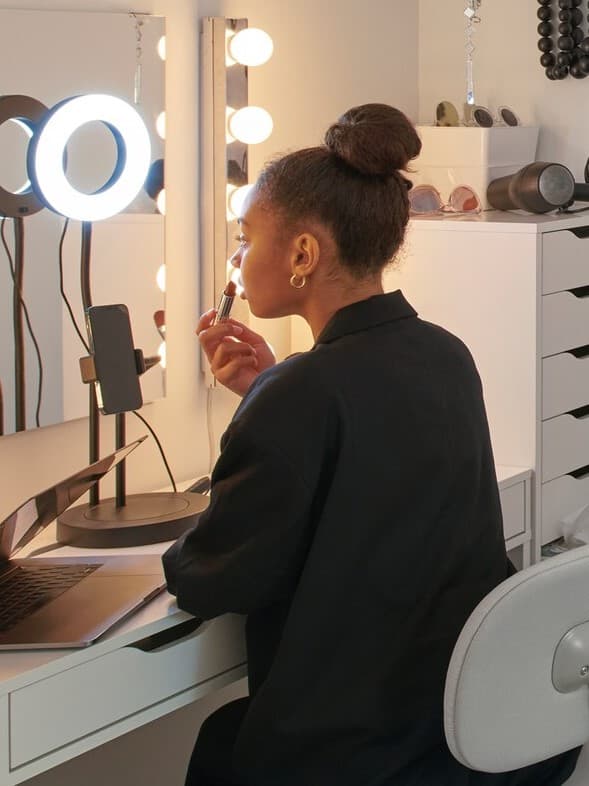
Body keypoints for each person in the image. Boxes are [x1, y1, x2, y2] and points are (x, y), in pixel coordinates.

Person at [162, 104, 580, 786]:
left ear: (303, 254)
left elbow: (213, 580)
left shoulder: (301, 394)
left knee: (222, 746)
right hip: (459, 729)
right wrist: (268, 388)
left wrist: (268, 405)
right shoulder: (444, 354)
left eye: (245, 238)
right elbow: (368, 460)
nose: (237, 260)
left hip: (356, 754)